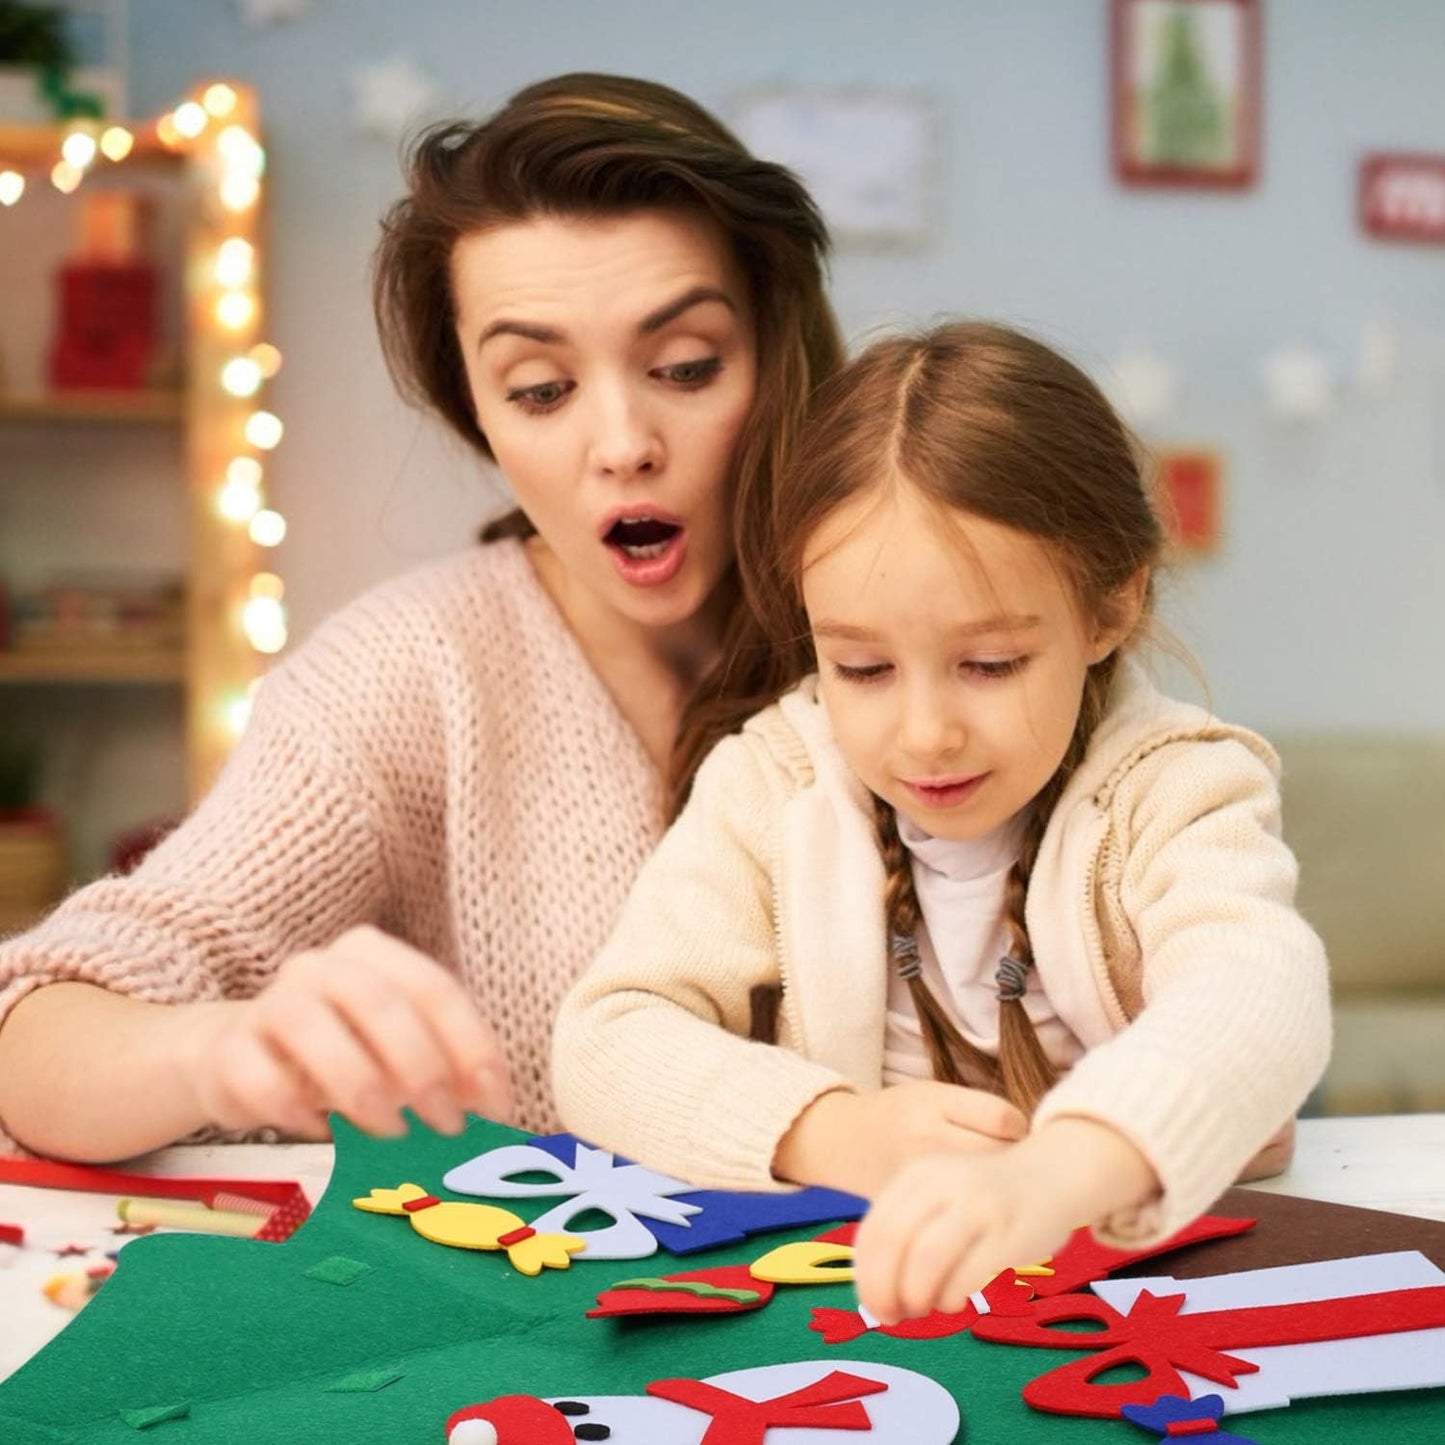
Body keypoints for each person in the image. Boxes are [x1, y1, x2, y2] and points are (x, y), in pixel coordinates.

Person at [0, 73, 843, 1163]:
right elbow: (33, 1032)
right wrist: (221, 1046)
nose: (622, 439)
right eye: (540, 388)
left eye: (685, 366)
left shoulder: (910, 620)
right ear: (475, 412)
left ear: (778, 354)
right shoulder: (407, 676)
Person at [552, 320, 1331, 1321]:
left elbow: (1259, 989)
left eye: (989, 663)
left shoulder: (1173, 786)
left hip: (1134, 1295)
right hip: (862, 1293)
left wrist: (1060, 1172)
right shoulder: (773, 781)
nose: (923, 734)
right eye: (862, 667)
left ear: (1109, 607)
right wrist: (832, 1134)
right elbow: (604, 1038)